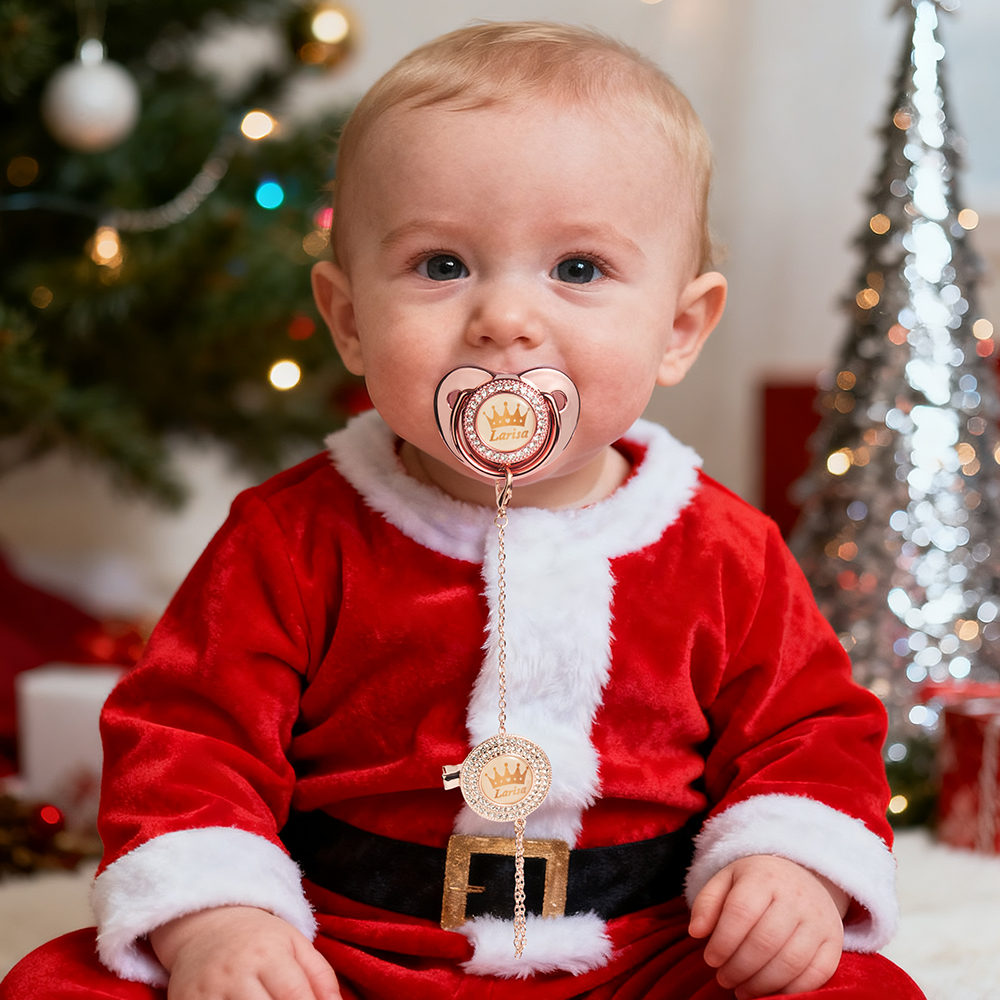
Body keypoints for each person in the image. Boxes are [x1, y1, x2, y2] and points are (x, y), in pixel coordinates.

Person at [1, 21, 925, 1000]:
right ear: (351, 320)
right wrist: (220, 918)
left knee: (857, 987)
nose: (504, 319)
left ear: (678, 329)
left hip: (642, 947)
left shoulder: (722, 548)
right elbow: (187, 739)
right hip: (345, 943)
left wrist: (788, 869)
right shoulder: (292, 537)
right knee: (60, 985)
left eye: (578, 268)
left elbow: (812, 731)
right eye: (441, 264)